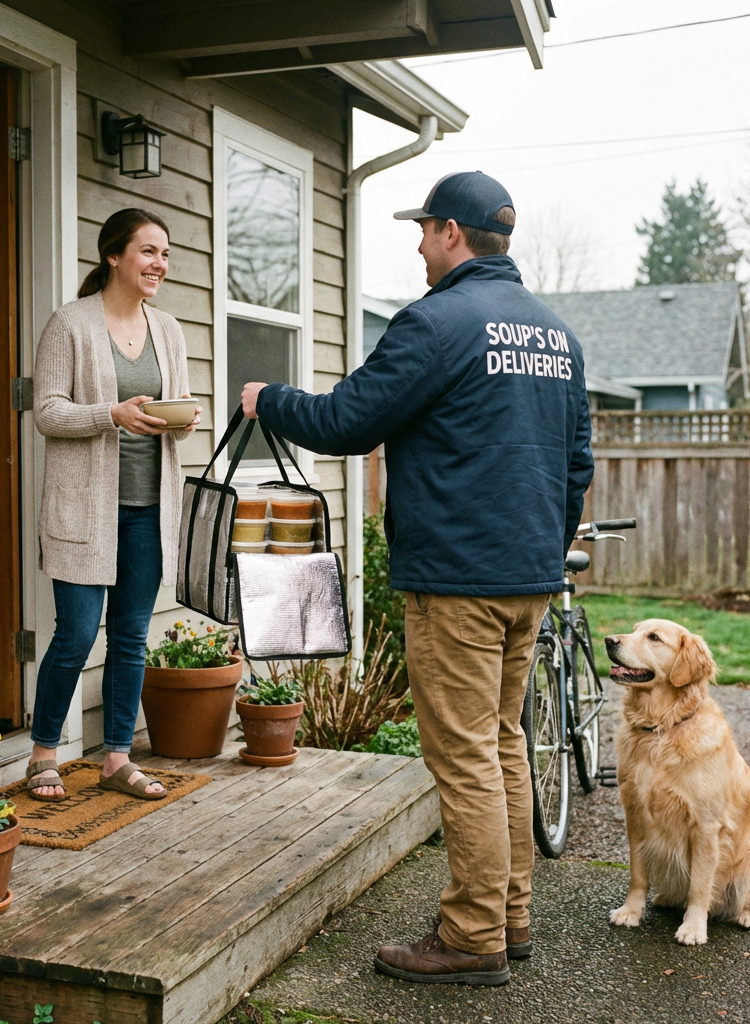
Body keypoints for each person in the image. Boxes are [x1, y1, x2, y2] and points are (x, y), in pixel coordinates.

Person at [241, 171, 594, 985]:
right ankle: (508, 917)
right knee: (500, 745)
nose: (418, 243)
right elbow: (578, 466)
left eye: (424, 227)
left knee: (466, 757)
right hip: (528, 579)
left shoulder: (436, 323)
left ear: (451, 234)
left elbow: (347, 421)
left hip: (458, 582)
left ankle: (471, 939)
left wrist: (271, 397)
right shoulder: (556, 336)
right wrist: (541, 546)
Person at [27, 208, 201, 802]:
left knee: (130, 637)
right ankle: (44, 753)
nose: (159, 264)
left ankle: (117, 757)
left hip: (150, 507)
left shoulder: (169, 329)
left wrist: (180, 419)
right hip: (84, 511)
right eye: (149, 252)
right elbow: (47, 412)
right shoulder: (71, 323)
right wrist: (111, 414)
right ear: (113, 256)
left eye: (165, 254)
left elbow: (169, 414)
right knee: (75, 635)